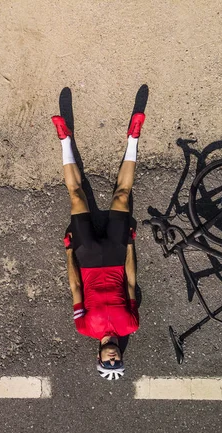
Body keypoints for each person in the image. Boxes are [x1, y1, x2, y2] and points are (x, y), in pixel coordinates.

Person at [51, 112, 145, 380]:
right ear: (121, 356)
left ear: (99, 357)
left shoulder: (84, 327)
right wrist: (129, 244)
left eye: (108, 363)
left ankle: (65, 139)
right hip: (116, 256)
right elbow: (130, 283)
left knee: (77, 198)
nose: (113, 360)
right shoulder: (131, 325)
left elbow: (75, 287)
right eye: (118, 363)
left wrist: (69, 252)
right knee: (122, 195)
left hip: (89, 259)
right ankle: (133, 138)